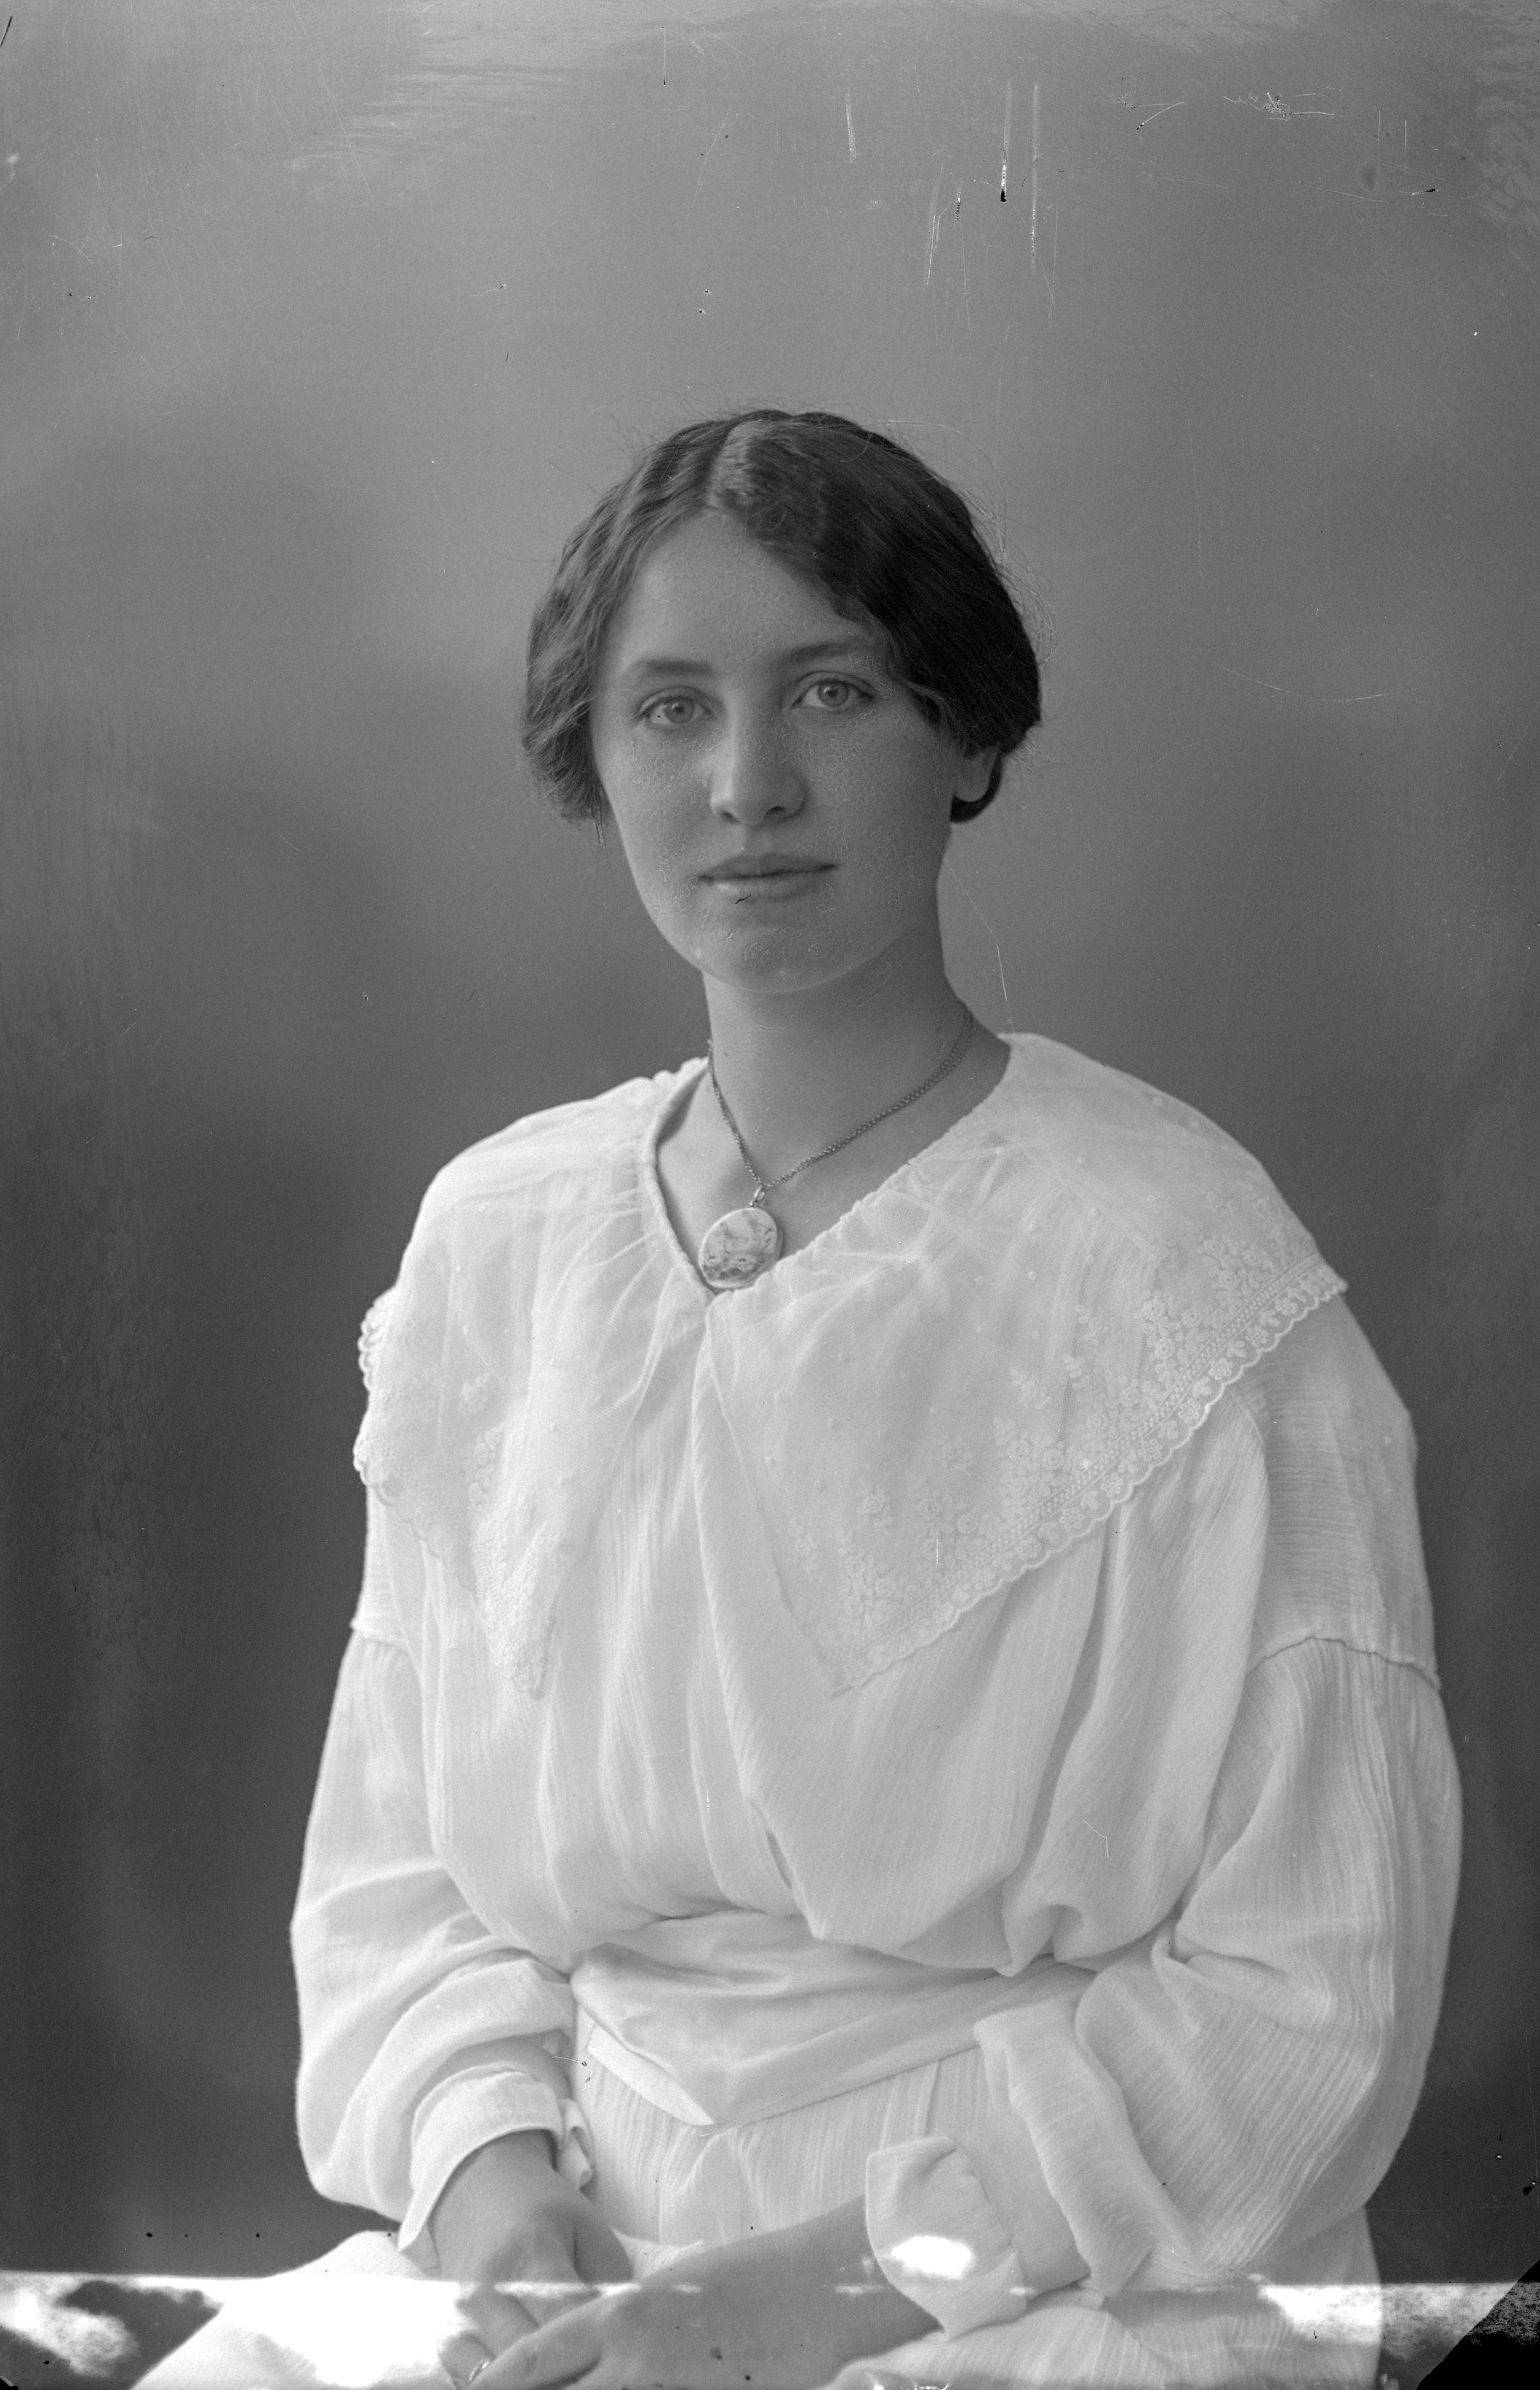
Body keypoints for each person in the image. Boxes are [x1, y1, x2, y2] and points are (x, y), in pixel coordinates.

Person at [141, 411, 1460, 2390]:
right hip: (587, 2240)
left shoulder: (1183, 1268)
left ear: (969, 736)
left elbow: (1308, 2000)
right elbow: (400, 1868)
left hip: (1045, 2283)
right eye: (670, 708)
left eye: (833, 691)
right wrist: (495, 2189)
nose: (747, 785)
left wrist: (811, 2298)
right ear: (593, 756)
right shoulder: (499, 1243)